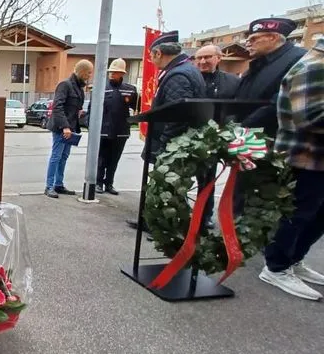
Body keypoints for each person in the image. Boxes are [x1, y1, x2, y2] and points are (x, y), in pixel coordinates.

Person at [258, 38, 324, 301]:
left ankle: (294, 259)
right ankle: (276, 266)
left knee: (317, 216)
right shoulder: (314, 67)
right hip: (304, 157)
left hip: (317, 159)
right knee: (297, 214)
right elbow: (308, 117)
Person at [127, 31, 205, 231]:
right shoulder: (185, 70)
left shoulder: (179, 75)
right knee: (166, 186)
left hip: (173, 145)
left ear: (159, 53)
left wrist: (165, 145)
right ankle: (153, 222)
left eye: (152, 57)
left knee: (170, 188)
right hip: (174, 143)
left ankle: (166, 228)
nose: (152, 62)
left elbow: (177, 116)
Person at [193, 44, 241, 229]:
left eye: (207, 57)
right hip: (190, 136)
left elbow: (236, 110)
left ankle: (204, 216)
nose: (203, 61)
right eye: (199, 58)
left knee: (208, 181)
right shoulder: (190, 78)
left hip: (218, 137)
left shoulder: (232, 82)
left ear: (218, 58)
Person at [234, 18, 306, 137]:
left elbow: (280, 103)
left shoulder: (299, 60)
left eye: (254, 39)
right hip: (250, 138)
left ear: (273, 37)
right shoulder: (258, 64)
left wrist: (241, 128)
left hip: (275, 139)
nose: (248, 44)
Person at [44, 60, 92, 198]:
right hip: (61, 128)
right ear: (82, 71)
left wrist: (79, 113)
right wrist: (65, 126)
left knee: (64, 157)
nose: (90, 75)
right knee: (56, 156)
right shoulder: (65, 85)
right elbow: (57, 106)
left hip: (70, 128)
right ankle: (49, 186)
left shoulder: (78, 87)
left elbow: (73, 106)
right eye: (88, 72)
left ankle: (58, 185)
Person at [92, 58, 138, 195]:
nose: (112, 74)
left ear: (122, 74)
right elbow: (92, 109)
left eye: (115, 72)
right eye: (110, 72)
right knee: (101, 159)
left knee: (114, 159)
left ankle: (109, 183)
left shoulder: (130, 90)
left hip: (121, 131)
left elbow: (137, 107)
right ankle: (98, 183)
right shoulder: (101, 88)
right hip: (104, 130)